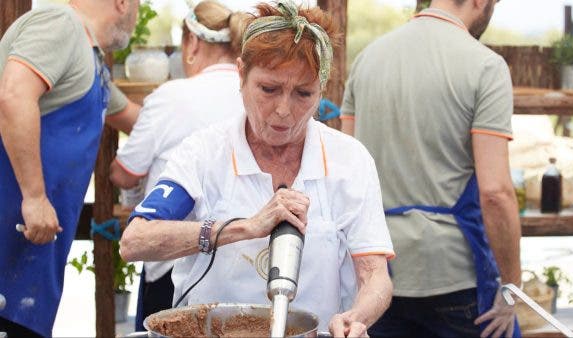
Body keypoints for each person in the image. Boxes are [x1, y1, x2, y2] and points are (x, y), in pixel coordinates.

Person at [120, 1, 395, 336]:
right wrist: (244, 227)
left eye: (303, 94)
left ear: (321, 89)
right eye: (269, 89)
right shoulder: (203, 154)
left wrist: (357, 316)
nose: (283, 111)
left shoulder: (349, 161)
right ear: (241, 75)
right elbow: (135, 241)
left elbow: (374, 275)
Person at [340, 0, 522, 337]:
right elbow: (495, 193)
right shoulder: (486, 66)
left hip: (376, 272)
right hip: (452, 276)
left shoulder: (366, 60)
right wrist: (512, 286)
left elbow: (346, 171)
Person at [0, 0, 140, 336]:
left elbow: (139, 119)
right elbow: (13, 95)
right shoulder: (60, 25)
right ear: (122, 3)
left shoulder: (90, 59)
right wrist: (34, 197)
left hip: (30, 256)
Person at [109, 0, 249, 330]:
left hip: (176, 265)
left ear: (192, 43)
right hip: (248, 261)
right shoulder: (258, 95)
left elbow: (125, 173)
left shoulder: (171, 97)